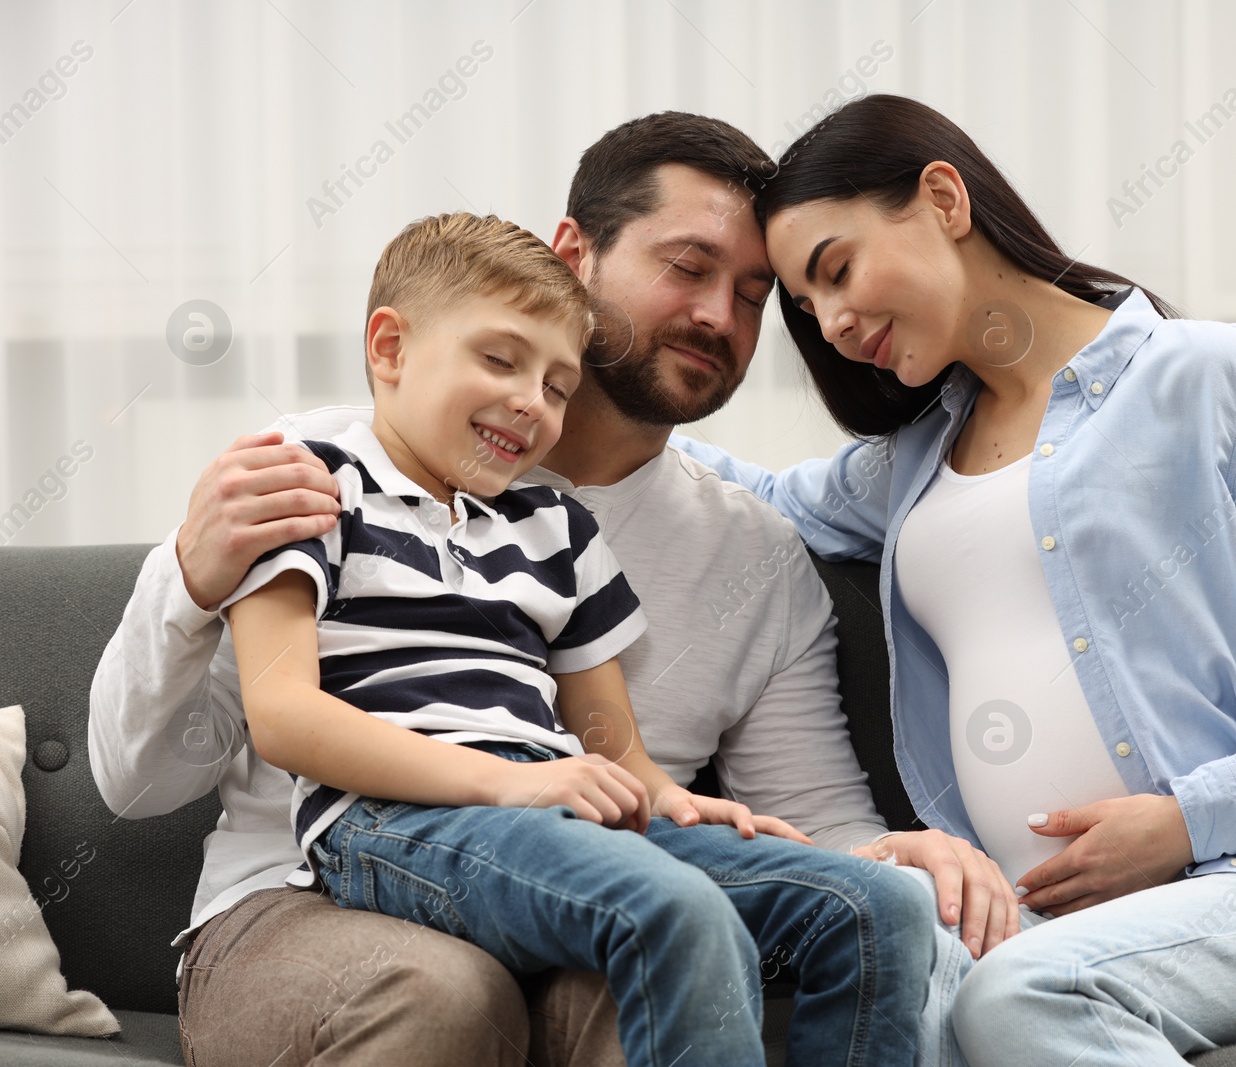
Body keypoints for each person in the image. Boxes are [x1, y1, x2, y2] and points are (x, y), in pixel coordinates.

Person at [89, 112, 1009, 1067]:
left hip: (588, 880)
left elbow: (788, 813)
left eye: (753, 294)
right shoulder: (309, 470)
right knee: (452, 990)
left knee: (659, 974)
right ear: (575, 256)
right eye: (688, 267)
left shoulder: (747, 555)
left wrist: (899, 860)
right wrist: (191, 585)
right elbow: (139, 781)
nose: (720, 319)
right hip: (297, 894)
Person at [670, 93, 1236, 1067]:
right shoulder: (913, 459)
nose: (827, 322)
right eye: (803, 304)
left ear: (942, 199)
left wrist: (1187, 821)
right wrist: (569, 390)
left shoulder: (1215, 378)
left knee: (1025, 991)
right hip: (1029, 919)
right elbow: (747, 493)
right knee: (902, 986)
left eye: (835, 270)